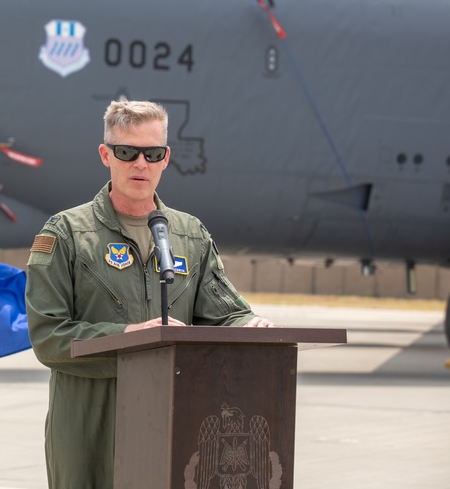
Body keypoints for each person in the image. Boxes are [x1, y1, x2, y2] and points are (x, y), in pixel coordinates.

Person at [25, 98, 273, 489]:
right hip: (88, 428)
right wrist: (129, 337)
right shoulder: (66, 234)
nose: (140, 164)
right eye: (127, 152)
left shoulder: (189, 235)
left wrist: (250, 324)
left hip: (172, 423)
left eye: (152, 153)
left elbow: (225, 313)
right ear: (106, 155)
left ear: (166, 158)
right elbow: (47, 337)